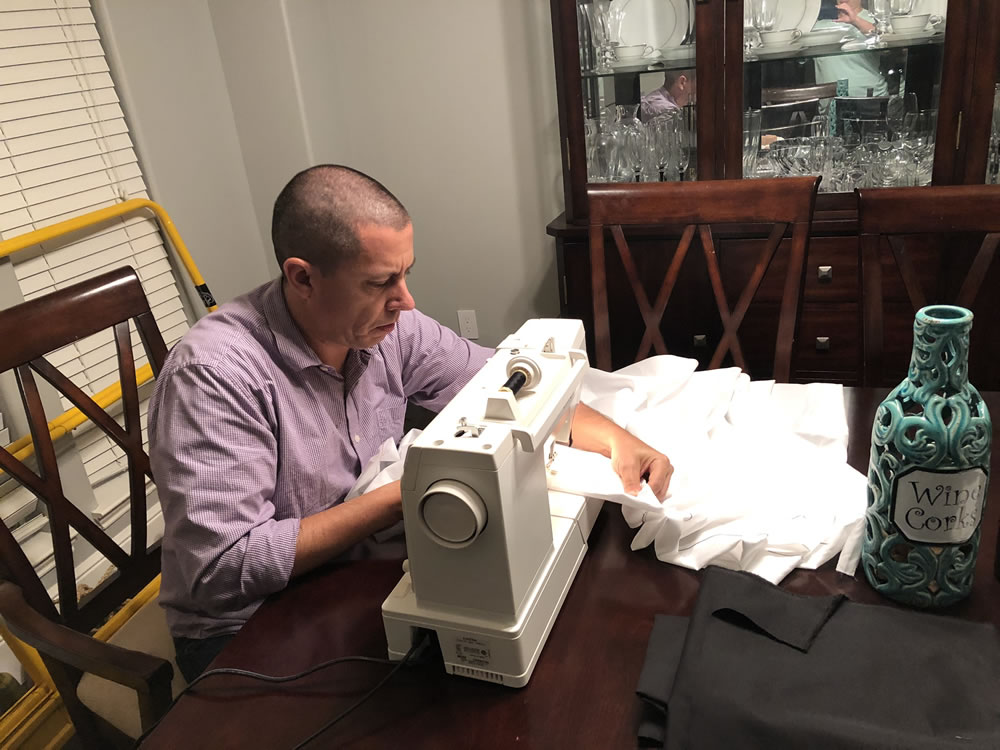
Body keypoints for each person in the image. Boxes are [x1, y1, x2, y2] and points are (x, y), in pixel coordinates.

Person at [148, 165, 674, 681]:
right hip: (247, 627)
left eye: (405, 273)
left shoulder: (390, 328)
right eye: (380, 282)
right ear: (303, 277)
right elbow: (223, 567)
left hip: (354, 563)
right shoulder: (215, 376)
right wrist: (413, 491)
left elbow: (508, 385)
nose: (405, 300)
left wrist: (618, 441)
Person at [812, 1, 889, 97]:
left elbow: (889, 42)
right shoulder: (815, 25)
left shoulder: (876, 18)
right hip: (830, 101)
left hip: (870, 97)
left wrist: (855, 20)